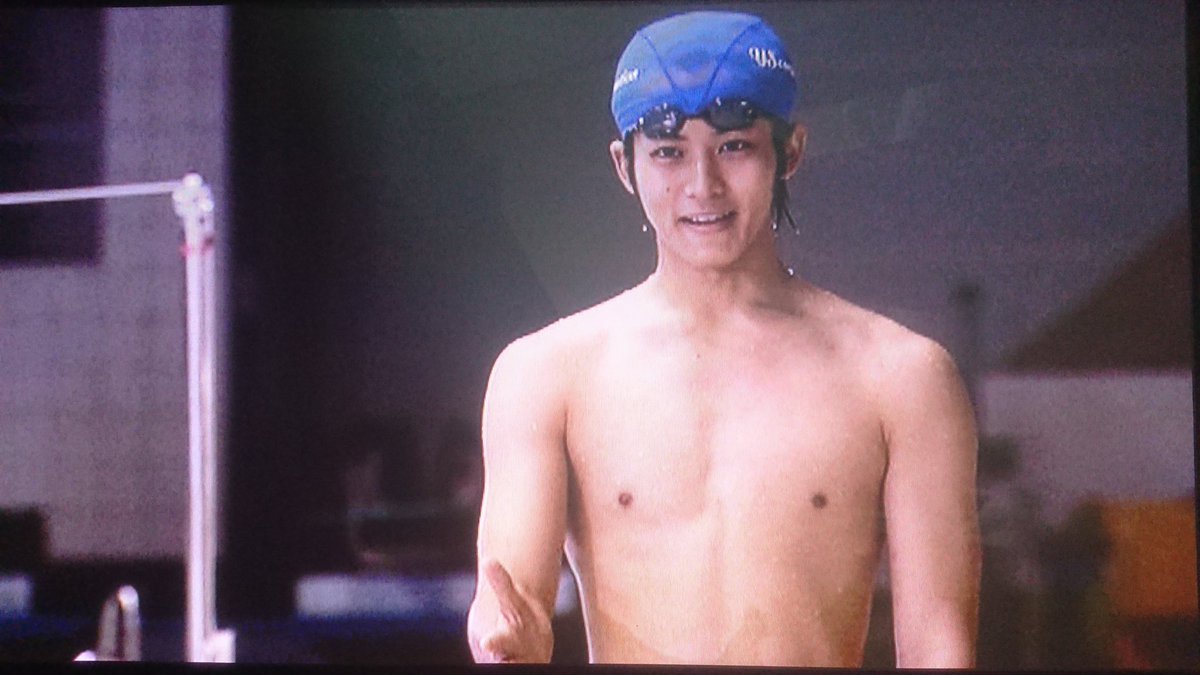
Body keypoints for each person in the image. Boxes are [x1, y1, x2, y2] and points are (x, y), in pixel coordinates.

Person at [467, 11, 980, 667]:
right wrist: (508, 639)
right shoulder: (545, 375)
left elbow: (939, 645)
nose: (702, 185)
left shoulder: (901, 378)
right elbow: (510, 602)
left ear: (790, 151)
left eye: (734, 146)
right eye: (668, 152)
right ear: (625, 165)